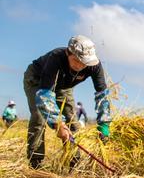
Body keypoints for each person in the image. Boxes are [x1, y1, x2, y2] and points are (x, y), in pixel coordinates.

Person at [23, 35, 112, 169]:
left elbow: (102, 95)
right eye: (77, 60)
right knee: (39, 117)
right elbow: (45, 95)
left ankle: (73, 160)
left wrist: (104, 124)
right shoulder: (56, 58)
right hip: (38, 81)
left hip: (63, 87)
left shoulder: (94, 66)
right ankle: (36, 161)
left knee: (72, 122)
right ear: (68, 53)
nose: (81, 65)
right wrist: (58, 124)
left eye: (84, 62)